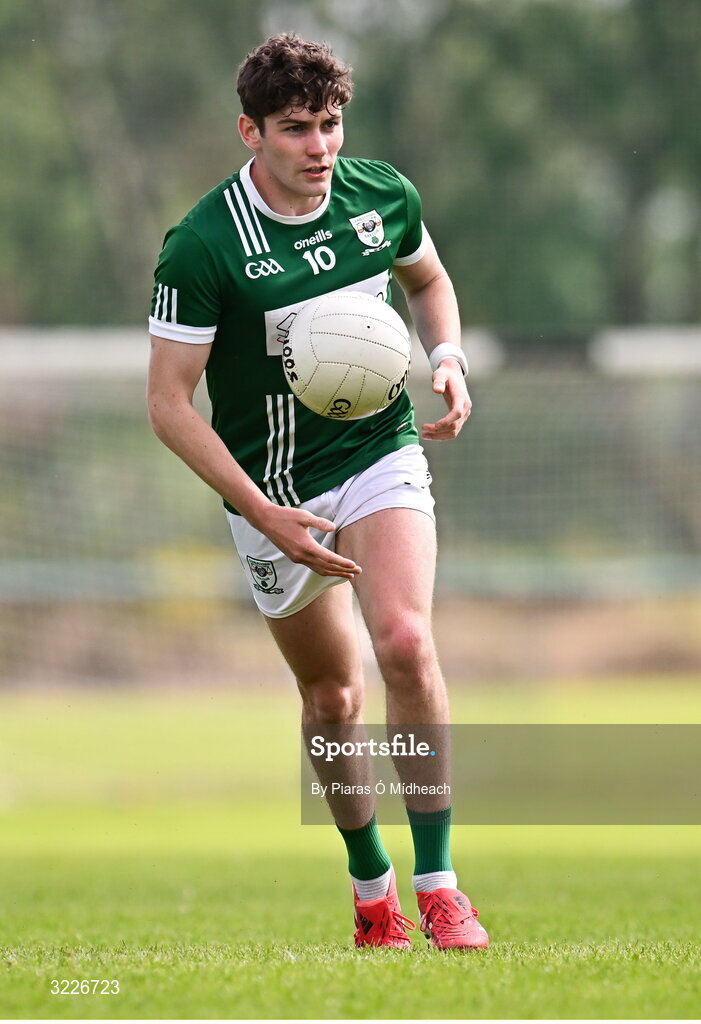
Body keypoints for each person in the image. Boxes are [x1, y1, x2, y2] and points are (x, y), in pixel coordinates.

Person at [147, 32, 488, 951]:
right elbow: (169, 405)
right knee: (333, 697)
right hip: (271, 493)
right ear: (249, 132)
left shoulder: (381, 195)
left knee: (407, 644)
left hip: (378, 454)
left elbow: (429, 279)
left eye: (330, 124)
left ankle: (439, 883)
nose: (319, 146)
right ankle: (371, 888)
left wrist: (446, 356)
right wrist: (262, 513)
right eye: (295, 128)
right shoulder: (203, 245)